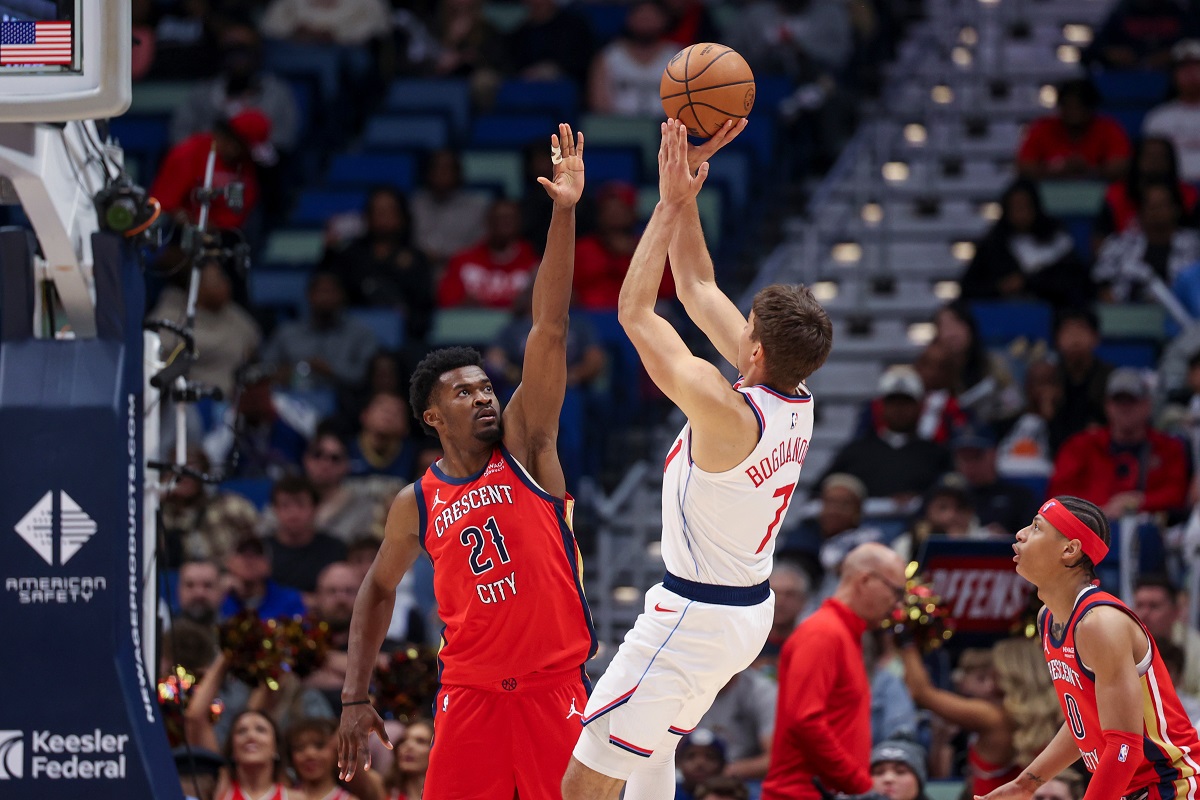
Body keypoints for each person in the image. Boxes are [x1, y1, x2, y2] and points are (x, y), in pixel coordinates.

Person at [561, 120, 834, 800]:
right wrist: (683, 192)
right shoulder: (796, 394)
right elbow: (696, 284)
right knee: (650, 763)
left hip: (694, 614)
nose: (736, 325)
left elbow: (633, 311)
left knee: (584, 780)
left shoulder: (724, 408)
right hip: (745, 612)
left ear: (755, 352)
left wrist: (665, 207)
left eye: (746, 328)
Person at [336, 124, 594, 799]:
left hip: (552, 693)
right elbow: (378, 589)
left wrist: (564, 213)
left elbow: (551, 327)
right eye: (464, 392)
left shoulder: (528, 446)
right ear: (431, 415)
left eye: (485, 386)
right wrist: (354, 696)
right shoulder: (414, 501)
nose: (483, 397)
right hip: (470, 698)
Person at [978, 495, 1200, 800]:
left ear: (1069, 550)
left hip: (1173, 785)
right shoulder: (1049, 619)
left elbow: (1125, 745)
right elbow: (1084, 722)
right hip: (1132, 788)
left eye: (1037, 527)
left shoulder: (1100, 623)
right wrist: (1028, 783)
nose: (1021, 534)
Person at [761, 543, 908, 800]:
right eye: (895, 591)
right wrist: (860, 785)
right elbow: (805, 720)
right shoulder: (823, 633)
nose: (897, 605)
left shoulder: (843, 634)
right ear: (865, 580)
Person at [900, 637, 1060, 798]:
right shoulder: (1057, 713)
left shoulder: (993, 717)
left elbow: (922, 693)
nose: (991, 672)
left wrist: (907, 639)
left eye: (994, 666)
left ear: (1009, 672)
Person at [1048, 368, 1190, 517]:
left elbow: (1178, 494)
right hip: (1090, 529)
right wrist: (1100, 510)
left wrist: (1138, 502)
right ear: (1107, 406)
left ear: (1147, 405)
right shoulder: (1080, 446)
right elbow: (1058, 496)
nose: (1125, 409)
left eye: (1131, 401)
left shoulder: (1168, 448)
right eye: (1118, 401)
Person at [959, 179, 1090, 308]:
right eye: (1015, 207)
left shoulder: (1057, 238)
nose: (1020, 212)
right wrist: (1000, 287)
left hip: (1054, 315)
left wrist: (1028, 282)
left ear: (1035, 206)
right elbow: (969, 287)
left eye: (1025, 206)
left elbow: (1075, 281)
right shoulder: (993, 245)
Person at [261, 272, 379, 393]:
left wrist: (331, 371)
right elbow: (266, 368)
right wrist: (283, 373)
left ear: (342, 296)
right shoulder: (286, 333)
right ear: (309, 296)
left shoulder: (360, 333)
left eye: (331, 292)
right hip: (293, 400)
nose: (326, 298)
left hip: (347, 401)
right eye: (321, 292)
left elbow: (367, 376)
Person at [1015, 78, 1131, 182]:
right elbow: (1024, 165)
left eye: (1079, 106)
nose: (1074, 112)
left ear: (1091, 107)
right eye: (1068, 106)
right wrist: (1057, 170)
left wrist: (1089, 169)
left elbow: (1121, 165)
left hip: (1100, 193)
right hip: (1050, 191)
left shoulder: (1108, 128)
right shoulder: (1043, 128)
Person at [436, 198, 539, 309]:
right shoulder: (462, 261)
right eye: (498, 219)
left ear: (519, 222)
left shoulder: (533, 264)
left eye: (509, 218)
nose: (504, 223)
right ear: (488, 222)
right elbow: (447, 302)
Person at [588, 1, 679, 116]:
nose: (646, 20)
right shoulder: (609, 56)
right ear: (629, 18)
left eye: (652, 15)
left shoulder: (677, 56)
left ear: (664, 19)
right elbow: (599, 104)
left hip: (667, 126)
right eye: (641, 14)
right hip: (618, 127)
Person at [265, 476, 348, 596]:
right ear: (274, 510)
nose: (293, 513)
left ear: (316, 508)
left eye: (300, 504)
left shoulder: (335, 549)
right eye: (285, 505)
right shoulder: (261, 549)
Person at [1132, 574, 1200, 697]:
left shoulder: (1196, 648)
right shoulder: (1120, 641)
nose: (1144, 614)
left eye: (1154, 606)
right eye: (1139, 605)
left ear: (1175, 612)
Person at [1144, 40, 1200, 182]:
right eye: (1184, 67)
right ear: (1173, 74)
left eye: (1197, 66)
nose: (1191, 73)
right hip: (1173, 191)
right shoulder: (1158, 117)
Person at [287, 718, 362, 800]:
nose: (310, 754)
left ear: (337, 751)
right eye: (300, 748)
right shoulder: (283, 796)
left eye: (319, 746)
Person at [384, 719, 433, 799]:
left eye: (420, 741)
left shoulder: (451, 794)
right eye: (404, 740)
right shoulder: (384, 791)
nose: (408, 746)